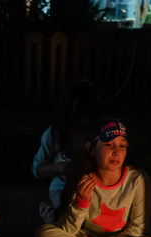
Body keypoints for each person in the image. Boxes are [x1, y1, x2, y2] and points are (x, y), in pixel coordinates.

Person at [34, 119, 151, 237]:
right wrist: (80, 204)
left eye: (122, 145)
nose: (117, 152)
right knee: (44, 233)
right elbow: (68, 230)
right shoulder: (84, 179)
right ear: (91, 149)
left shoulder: (137, 179)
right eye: (108, 145)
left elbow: (138, 229)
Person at [32, 80, 101, 224]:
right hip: (62, 189)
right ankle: (50, 211)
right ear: (68, 112)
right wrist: (58, 167)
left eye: (87, 116)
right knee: (68, 218)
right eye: (78, 116)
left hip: (94, 187)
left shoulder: (98, 133)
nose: (82, 122)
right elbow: (37, 169)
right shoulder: (54, 134)